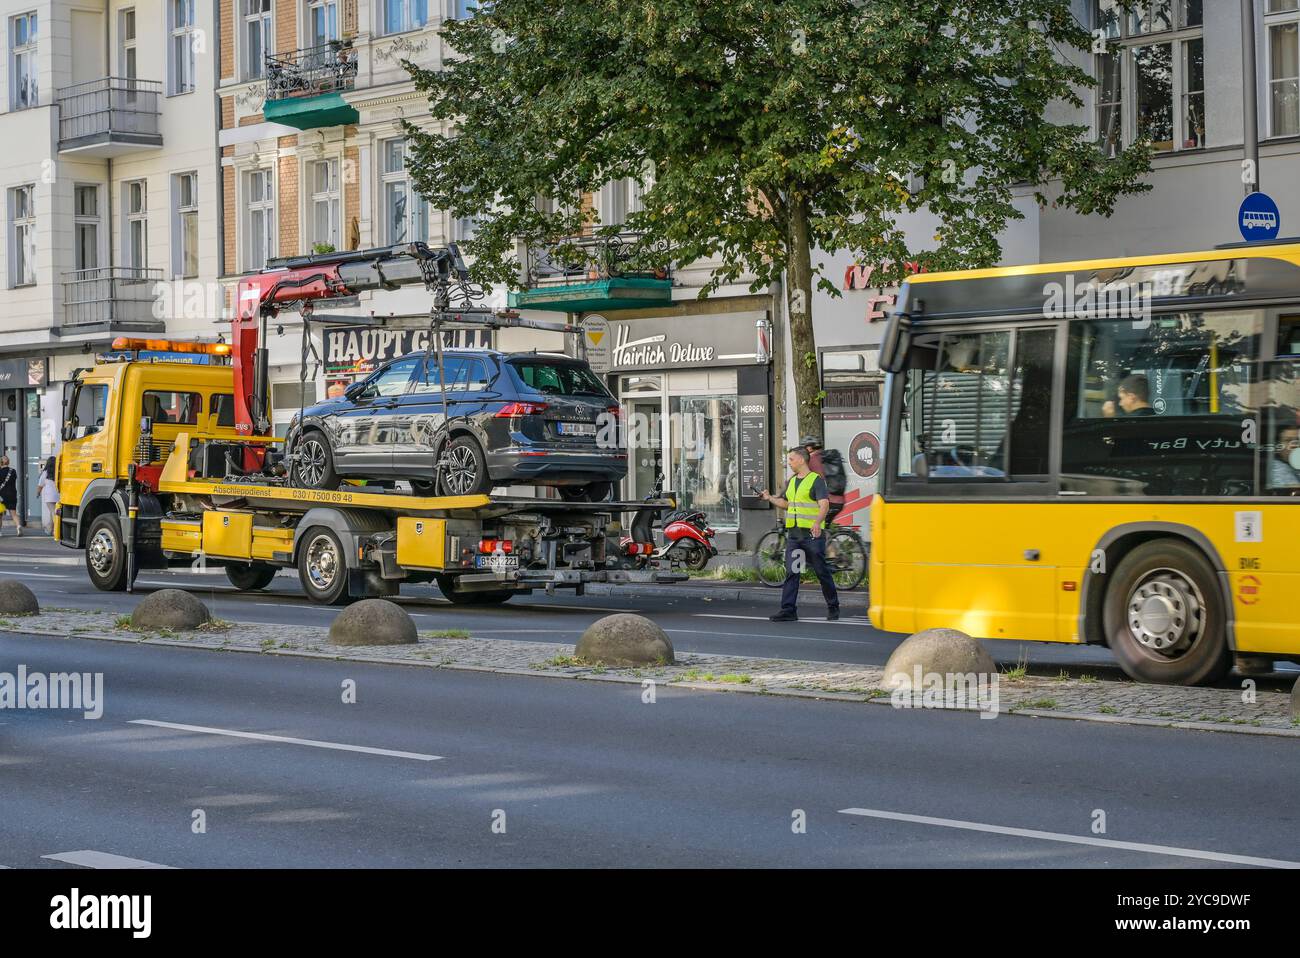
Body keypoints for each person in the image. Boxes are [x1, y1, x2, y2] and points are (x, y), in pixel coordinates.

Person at [760, 447, 839, 622]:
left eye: (791, 459)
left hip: (812, 536)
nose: (789, 463)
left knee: (821, 571)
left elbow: (824, 505)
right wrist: (770, 498)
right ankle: (788, 610)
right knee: (792, 572)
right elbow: (787, 504)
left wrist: (817, 522)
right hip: (795, 536)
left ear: (802, 460)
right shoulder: (792, 482)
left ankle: (833, 606)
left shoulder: (816, 481)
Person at [801, 435, 846, 519]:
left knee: (807, 522)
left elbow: (798, 477)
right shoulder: (825, 458)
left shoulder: (811, 460)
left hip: (826, 502)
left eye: (803, 448)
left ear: (810, 448)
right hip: (838, 501)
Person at [1269, 424, 1300, 490]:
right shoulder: (1277, 468)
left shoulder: (1294, 465)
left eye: (1297, 440)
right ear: (1278, 446)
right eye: (1288, 440)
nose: (1294, 445)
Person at [36, 455, 58, 534]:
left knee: (53, 512)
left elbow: (40, 485)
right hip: (59, 495)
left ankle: (56, 531)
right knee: (52, 512)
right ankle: (49, 529)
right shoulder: (58, 472)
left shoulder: (45, 473)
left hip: (49, 497)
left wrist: (38, 493)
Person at [0, 456, 21, 536]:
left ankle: (0, 532)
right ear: (8, 462)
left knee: (0, 515)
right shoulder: (13, 471)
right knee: (13, 514)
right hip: (12, 494)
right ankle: (18, 526)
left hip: (2, 496)